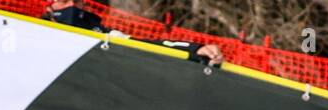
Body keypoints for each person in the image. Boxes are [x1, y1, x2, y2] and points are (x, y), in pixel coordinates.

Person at [41, 0, 226, 67]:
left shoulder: (101, 33)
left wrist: (196, 49)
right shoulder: (27, 30)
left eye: (77, 2)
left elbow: (147, 45)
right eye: (64, 1)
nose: (72, 7)